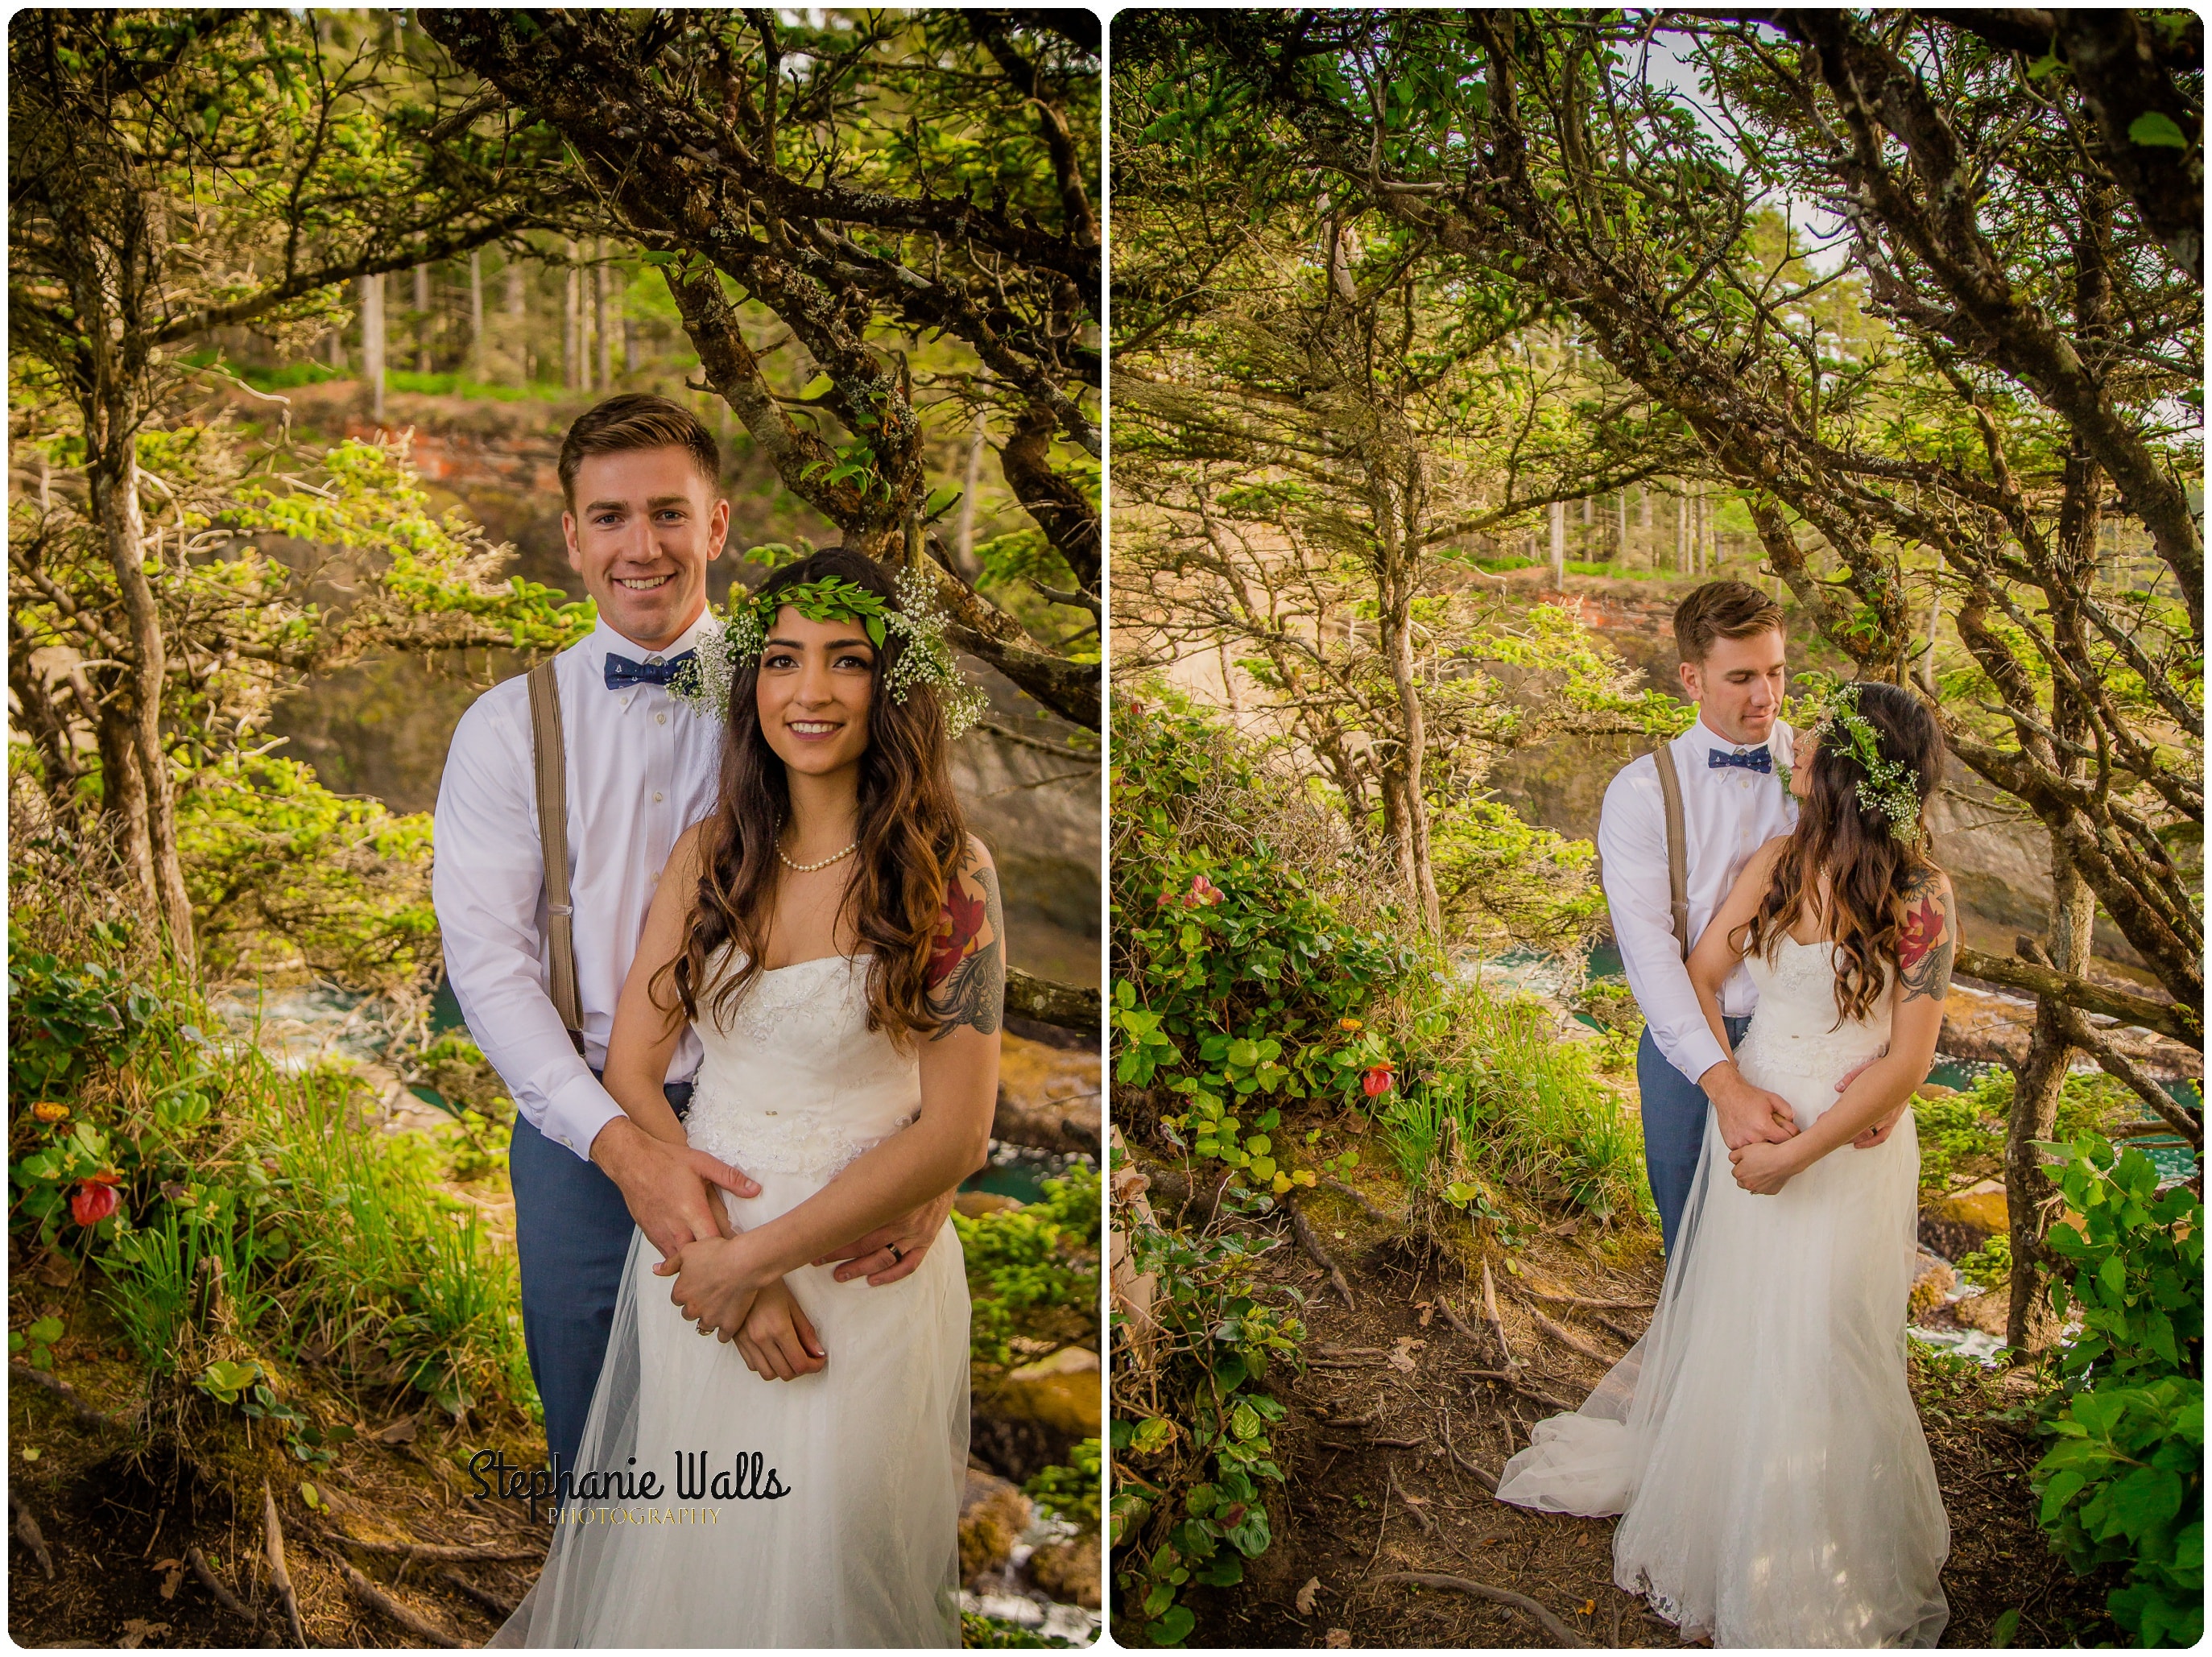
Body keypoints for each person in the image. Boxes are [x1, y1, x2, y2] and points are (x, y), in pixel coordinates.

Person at [432, 396, 954, 1486]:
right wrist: (627, 1152)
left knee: (796, 1466)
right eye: (609, 516)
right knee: (602, 1462)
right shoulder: (500, 732)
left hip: (804, 1138)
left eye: (669, 512)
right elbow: (490, 970)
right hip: (587, 1126)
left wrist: (934, 1164)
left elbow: (920, 902)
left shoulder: (806, 690)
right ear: (571, 537)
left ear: (717, 528)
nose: (641, 545)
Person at [494, 548, 1001, 1647]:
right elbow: (632, 1067)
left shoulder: (948, 872)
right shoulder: (711, 855)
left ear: (893, 685)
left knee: (825, 1565)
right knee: (688, 1560)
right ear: (751, 683)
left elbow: (960, 1127)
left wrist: (766, 1261)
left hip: (857, 1281)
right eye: (780, 660)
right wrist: (722, 1261)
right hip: (704, 1269)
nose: (808, 691)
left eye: (845, 662)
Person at [1498, 679, 1955, 1647]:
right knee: (1744, 1322)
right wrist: (1732, 1097)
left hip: (1846, 1142)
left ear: (1839, 772)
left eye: (1810, 742)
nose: (1790, 743)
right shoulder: (1777, 862)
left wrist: (1803, 1150)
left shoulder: (1919, 894)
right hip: (1755, 1112)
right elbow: (1702, 974)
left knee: (1831, 1333)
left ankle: (1817, 1539)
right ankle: (1725, 1516)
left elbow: (1910, 1057)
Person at [1595, 581, 1899, 1257]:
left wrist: (1889, 1074)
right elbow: (1651, 957)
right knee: (1691, 1246)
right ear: (1690, 678)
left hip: (1812, 1038)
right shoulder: (1640, 795)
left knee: (1796, 1253)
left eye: (1775, 671)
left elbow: (1890, 918)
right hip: (1686, 1048)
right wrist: (1723, 1083)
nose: (1765, 696)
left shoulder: (1825, 768)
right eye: (1740, 678)